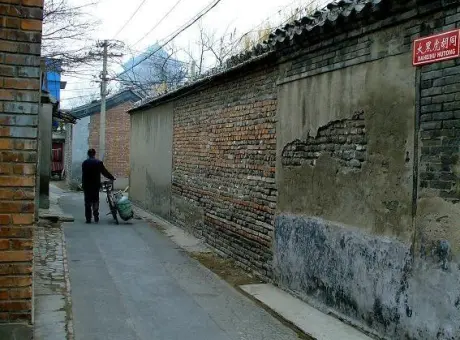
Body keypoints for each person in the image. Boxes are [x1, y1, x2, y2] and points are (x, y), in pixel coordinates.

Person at [82, 149, 115, 223]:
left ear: (88, 154)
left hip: (87, 185)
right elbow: (104, 172)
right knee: (95, 200)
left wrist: (83, 184)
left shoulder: (84, 163)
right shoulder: (98, 162)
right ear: (94, 154)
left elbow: (83, 175)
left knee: (87, 201)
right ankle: (96, 215)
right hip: (95, 185)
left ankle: (88, 218)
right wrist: (111, 177)